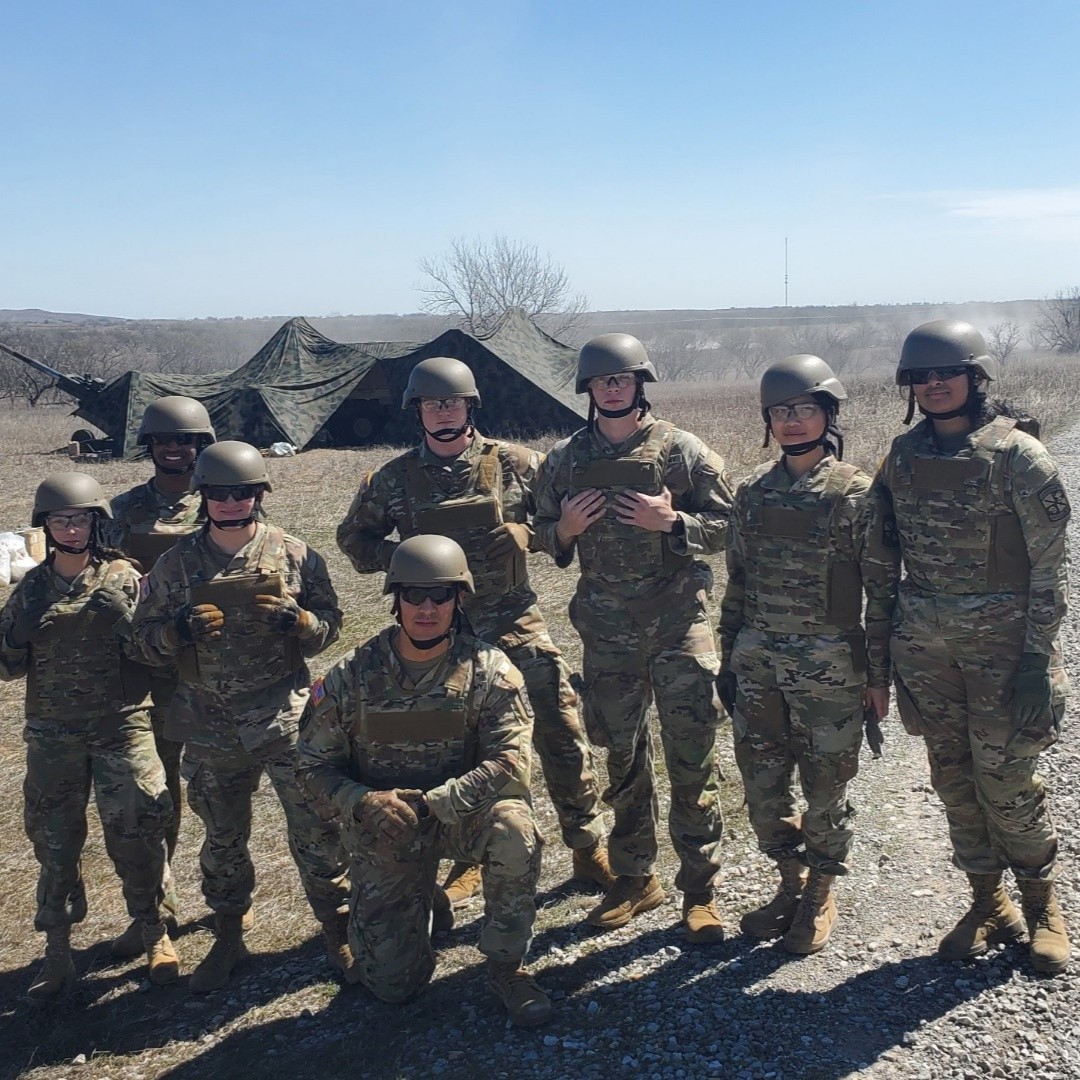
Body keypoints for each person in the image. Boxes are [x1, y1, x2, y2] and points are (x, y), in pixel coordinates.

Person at [336, 355, 610, 908]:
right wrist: (407, 559)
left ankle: (586, 844)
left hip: (512, 618)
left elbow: (566, 523)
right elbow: (354, 541)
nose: (443, 412)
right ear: (417, 411)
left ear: (470, 406)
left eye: (452, 402)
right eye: (432, 403)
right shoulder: (391, 480)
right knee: (456, 748)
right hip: (438, 633)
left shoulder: (516, 464)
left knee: (559, 726)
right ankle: (468, 858)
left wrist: (529, 533)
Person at [872, 319, 1071, 974]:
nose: (933, 386)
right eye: (921, 377)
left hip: (1004, 653)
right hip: (928, 654)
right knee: (953, 779)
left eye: (946, 373)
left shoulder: (1019, 456)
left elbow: (1049, 570)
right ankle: (987, 902)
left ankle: (1044, 906)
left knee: (1008, 781)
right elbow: (879, 554)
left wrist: (1040, 661)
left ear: (976, 377)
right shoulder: (902, 458)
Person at [296, 535, 551, 1027]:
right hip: (385, 827)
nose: (427, 608)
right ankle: (422, 900)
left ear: (460, 600)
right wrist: (362, 800)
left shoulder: (489, 669)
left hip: (460, 816)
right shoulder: (353, 674)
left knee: (515, 830)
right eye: (414, 595)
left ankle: (507, 967)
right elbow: (311, 765)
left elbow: (511, 761)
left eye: (441, 596)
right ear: (396, 600)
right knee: (392, 988)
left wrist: (436, 802)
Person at [532, 333, 733, 941]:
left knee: (691, 754)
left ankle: (699, 889)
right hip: (607, 630)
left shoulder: (681, 450)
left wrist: (675, 522)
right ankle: (635, 876)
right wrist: (562, 530)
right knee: (621, 754)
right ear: (587, 389)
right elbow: (538, 529)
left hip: (678, 623)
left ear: (640, 383)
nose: (612, 388)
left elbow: (729, 524)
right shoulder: (565, 458)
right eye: (601, 380)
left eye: (622, 379)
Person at [130, 440, 351, 991]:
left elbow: (330, 625)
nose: (231, 503)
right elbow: (141, 642)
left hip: (283, 714)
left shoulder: (295, 554)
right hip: (209, 721)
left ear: (259, 495)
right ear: (204, 497)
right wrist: (176, 630)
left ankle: (337, 928)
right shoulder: (176, 563)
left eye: (243, 492)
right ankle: (229, 932)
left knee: (317, 828)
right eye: (220, 494)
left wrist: (299, 622)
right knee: (223, 836)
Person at [717, 355, 898, 954]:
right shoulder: (752, 493)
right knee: (763, 787)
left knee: (826, 789)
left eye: (804, 409)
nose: (792, 421)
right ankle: (789, 882)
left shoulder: (855, 494)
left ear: (827, 414)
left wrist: (878, 675)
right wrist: (728, 658)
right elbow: (737, 582)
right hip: (758, 663)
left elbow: (881, 590)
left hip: (831, 669)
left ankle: (821, 892)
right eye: (780, 412)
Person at [0, 474, 177, 1002]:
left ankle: (155, 933)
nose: (71, 529)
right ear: (46, 527)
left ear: (96, 522)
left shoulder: (126, 577)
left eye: (80, 519)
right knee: (55, 842)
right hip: (54, 733)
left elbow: (159, 654)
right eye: (60, 520)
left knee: (139, 830)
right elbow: (7, 667)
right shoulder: (30, 587)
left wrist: (130, 623)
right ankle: (58, 952)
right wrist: (16, 631)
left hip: (121, 724)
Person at [103, 395, 217, 959]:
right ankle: (156, 913)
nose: (176, 448)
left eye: (187, 440)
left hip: (208, 665)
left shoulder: (224, 497)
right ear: (149, 446)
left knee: (218, 787)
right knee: (155, 791)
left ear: (201, 445)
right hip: (143, 665)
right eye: (165, 440)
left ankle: (228, 910)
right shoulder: (122, 511)